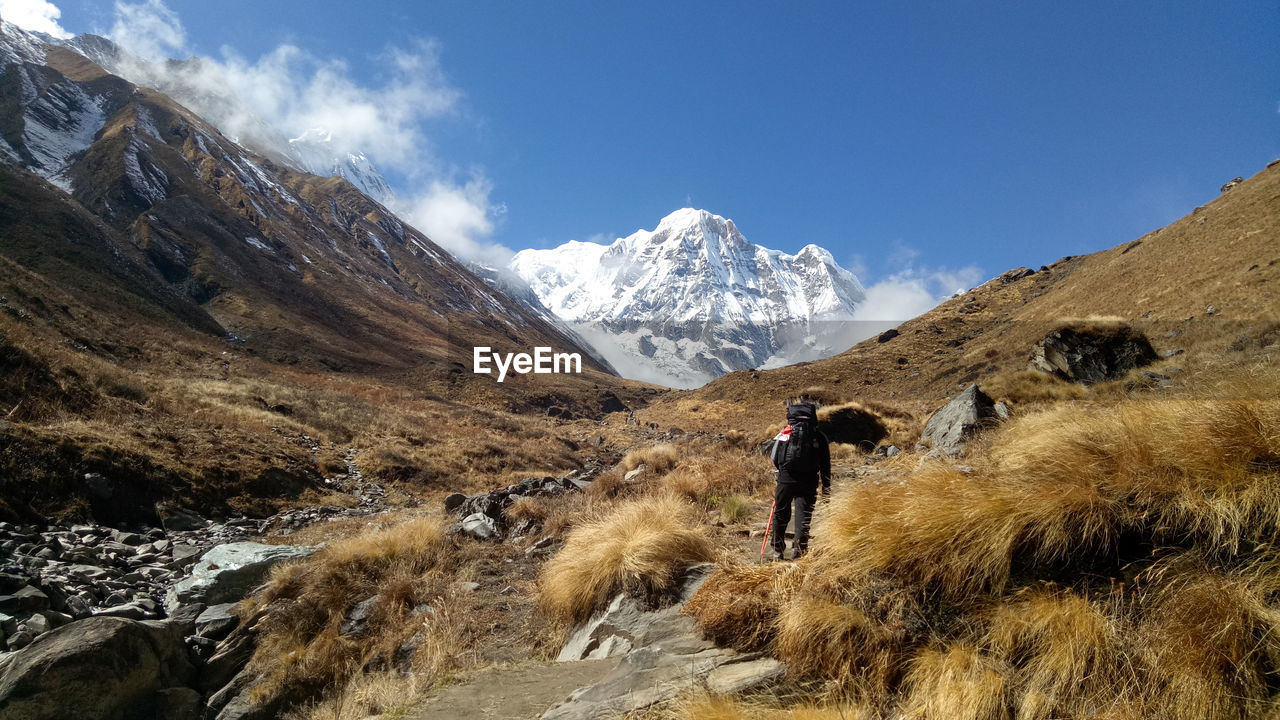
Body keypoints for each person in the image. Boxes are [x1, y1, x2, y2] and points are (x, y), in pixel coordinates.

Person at [769, 400, 831, 560]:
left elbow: (774, 457)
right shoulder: (819, 436)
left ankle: (777, 550)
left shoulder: (786, 433)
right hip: (809, 481)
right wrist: (826, 488)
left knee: (780, 514)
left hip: (786, 479)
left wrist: (783, 472)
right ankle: (800, 553)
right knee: (803, 517)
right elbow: (826, 464)